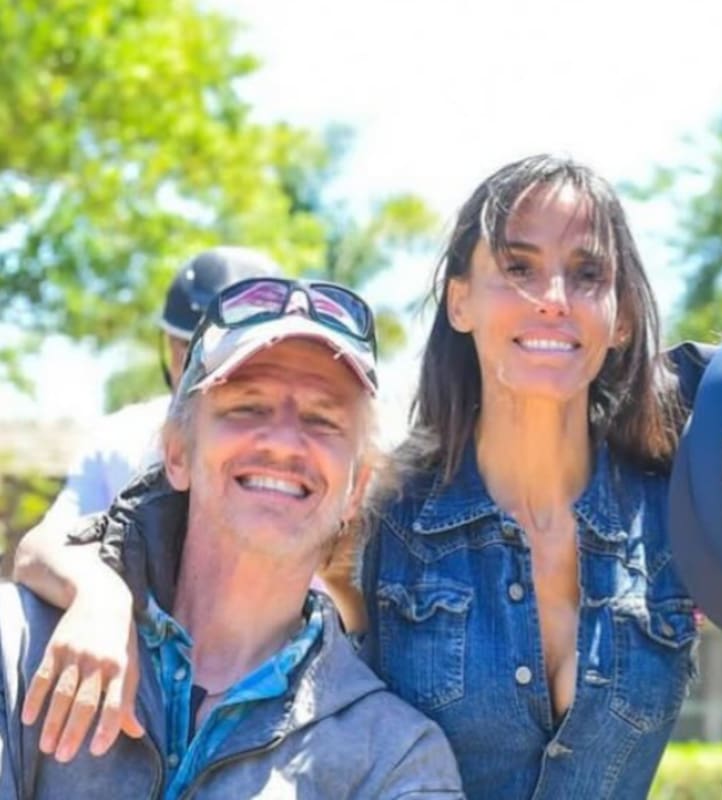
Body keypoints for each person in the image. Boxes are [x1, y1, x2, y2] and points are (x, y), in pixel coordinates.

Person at [14, 155, 695, 800]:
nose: (552, 298)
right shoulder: (386, 507)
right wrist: (100, 596)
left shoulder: (684, 517)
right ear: (459, 302)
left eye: (587, 274)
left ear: (625, 316)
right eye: (518, 267)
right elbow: (104, 537)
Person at [2, 276, 464, 798]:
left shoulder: (393, 758)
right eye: (247, 407)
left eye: (322, 418)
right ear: (176, 453)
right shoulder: (20, 646)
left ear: (356, 487)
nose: (286, 441)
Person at [37, 246, 281, 524]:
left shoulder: (299, 448)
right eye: (190, 349)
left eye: (238, 354)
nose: (209, 371)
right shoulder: (117, 440)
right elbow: (49, 546)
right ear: (167, 343)